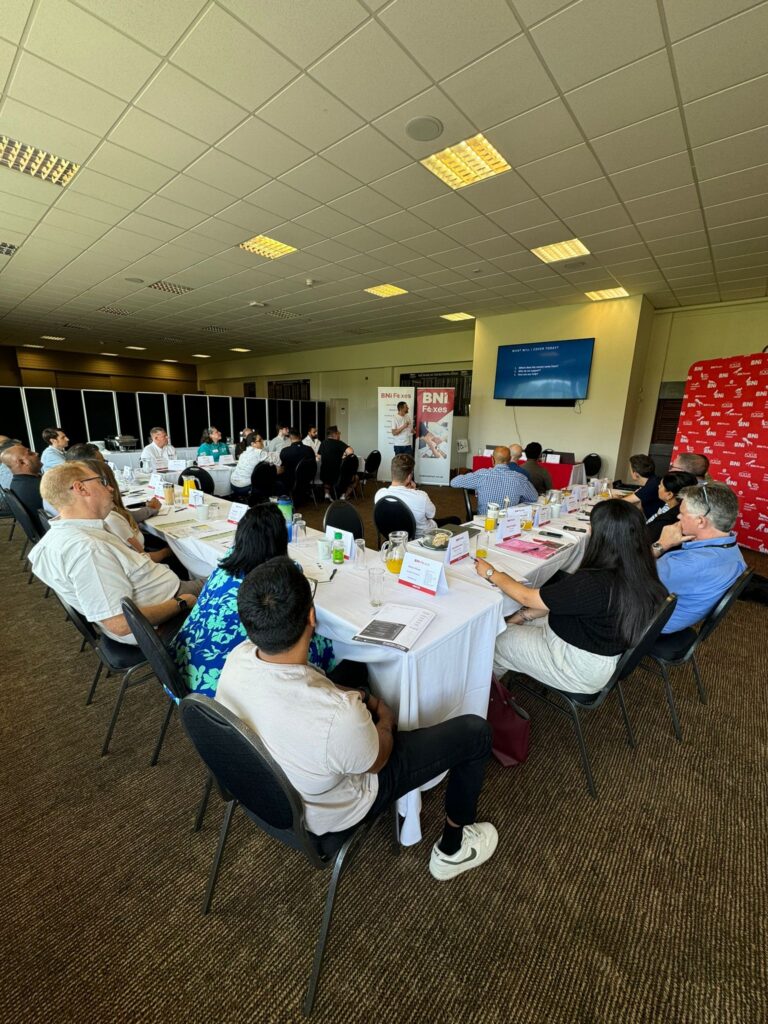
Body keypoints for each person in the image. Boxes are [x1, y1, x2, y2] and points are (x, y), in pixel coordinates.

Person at [216, 557, 498, 880]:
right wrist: (385, 717)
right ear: (312, 616)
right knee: (477, 733)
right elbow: (378, 759)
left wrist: (361, 696)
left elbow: (310, 683)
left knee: (356, 667)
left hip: (268, 792)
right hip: (338, 804)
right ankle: (453, 848)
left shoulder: (237, 659)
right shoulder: (338, 717)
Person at [478, 500, 668, 695]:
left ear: (603, 536)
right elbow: (563, 601)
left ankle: (490, 701)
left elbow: (526, 597)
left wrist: (492, 573)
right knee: (510, 624)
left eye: (592, 525)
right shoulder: (640, 569)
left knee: (493, 640)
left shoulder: (594, 582)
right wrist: (524, 616)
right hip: (596, 647)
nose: (588, 529)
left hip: (576, 664)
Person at [171, 503, 335, 696]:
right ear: (281, 542)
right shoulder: (277, 579)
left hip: (178, 673)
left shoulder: (227, 561)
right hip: (214, 694)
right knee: (324, 642)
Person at [30, 462, 202, 645]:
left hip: (166, 597)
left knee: (224, 573)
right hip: (168, 618)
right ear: (81, 488)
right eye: (102, 482)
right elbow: (120, 623)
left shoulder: (56, 540)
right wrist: (181, 603)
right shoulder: (88, 549)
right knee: (233, 577)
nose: (110, 488)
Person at [652, 483, 746, 634]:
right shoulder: (732, 548)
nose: (678, 516)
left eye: (682, 513)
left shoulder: (687, 564)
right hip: (677, 614)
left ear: (700, 521)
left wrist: (661, 544)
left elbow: (627, 576)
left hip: (649, 623)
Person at [374, 454, 460, 537]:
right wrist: (414, 491)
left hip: (393, 535)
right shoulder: (421, 496)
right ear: (409, 477)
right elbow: (431, 515)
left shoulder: (380, 494)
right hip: (421, 537)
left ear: (392, 473)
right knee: (455, 520)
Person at [450, 446, 537, 515]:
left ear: (492, 458)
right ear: (510, 459)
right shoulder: (520, 478)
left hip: (484, 522)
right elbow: (534, 497)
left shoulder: (482, 475)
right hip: (509, 524)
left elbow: (454, 482)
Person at [645, 471, 698, 543]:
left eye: (661, 485)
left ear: (669, 494)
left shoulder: (666, 521)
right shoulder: (674, 507)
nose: (658, 486)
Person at [1, 444, 43, 515]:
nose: (36, 453)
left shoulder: (17, 484)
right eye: (30, 453)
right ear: (22, 462)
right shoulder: (38, 487)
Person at [319, 426, 357, 501]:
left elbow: (319, 455)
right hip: (337, 475)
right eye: (339, 433)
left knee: (327, 472)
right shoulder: (339, 443)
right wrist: (343, 455)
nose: (339, 435)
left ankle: (327, 494)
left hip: (324, 474)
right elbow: (351, 452)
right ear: (335, 434)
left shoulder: (323, 443)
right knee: (355, 477)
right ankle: (344, 495)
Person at [622, 454, 663, 519]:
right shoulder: (654, 480)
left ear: (636, 474)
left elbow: (621, 502)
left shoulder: (651, 486)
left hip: (653, 524)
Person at [279, 428, 315, 494]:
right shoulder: (309, 450)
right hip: (307, 480)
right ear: (300, 435)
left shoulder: (285, 451)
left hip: (291, 481)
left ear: (289, 438)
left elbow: (282, 467)